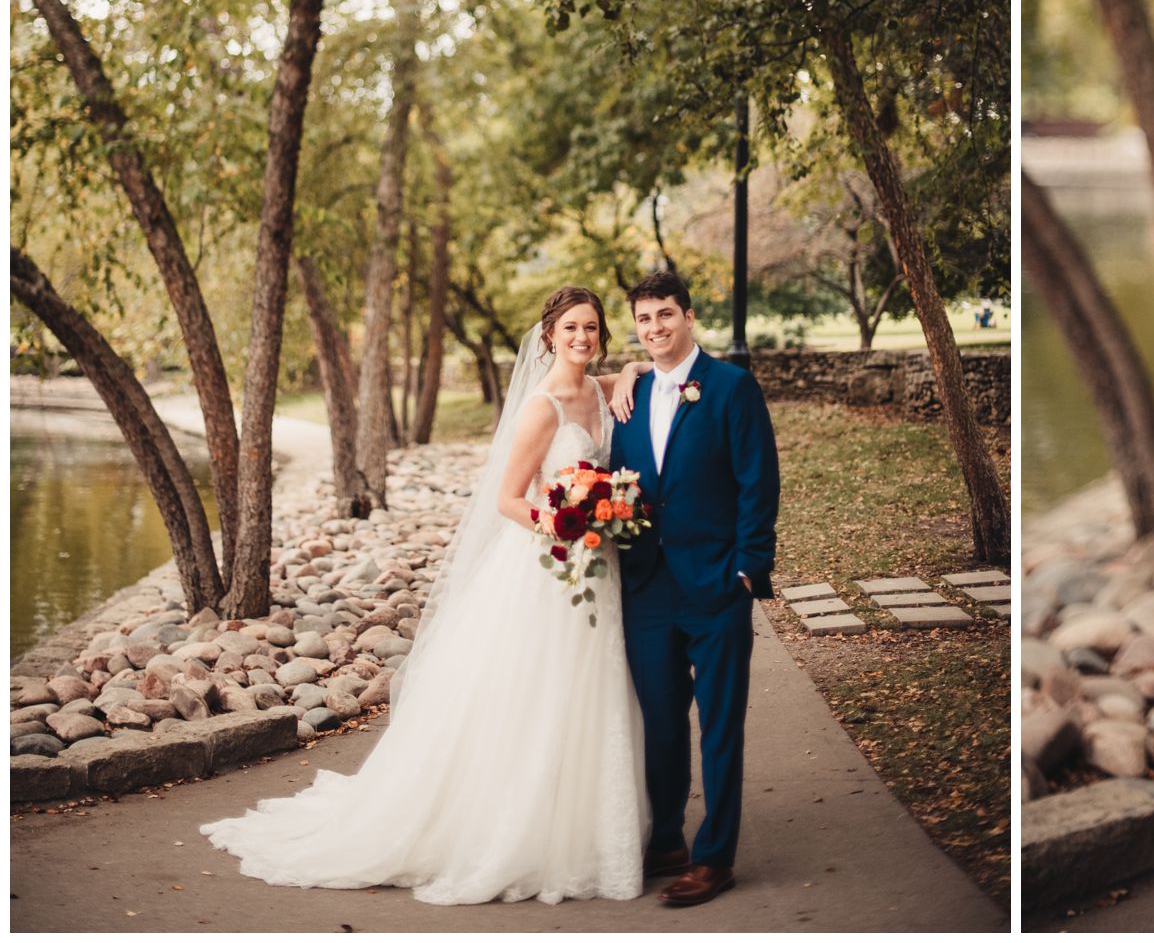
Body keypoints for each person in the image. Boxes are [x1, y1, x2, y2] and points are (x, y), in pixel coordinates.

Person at [203, 287, 649, 905]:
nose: (582, 337)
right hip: (547, 566)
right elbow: (509, 499)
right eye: (571, 327)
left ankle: (587, 830)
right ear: (549, 335)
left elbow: (650, 366)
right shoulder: (541, 407)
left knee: (590, 689)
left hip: (597, 567)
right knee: (536, 692)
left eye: (592, 327)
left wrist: (632, 371)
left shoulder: (601, 390)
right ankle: (515, 830)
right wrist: (565, 523)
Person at [606, 268, 780, 908]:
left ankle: (715, 857)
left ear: (688, 316)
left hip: (717, 583)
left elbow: (758, 480)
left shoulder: (731, 387)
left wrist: (748, 567)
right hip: (647, 586)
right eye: (644, 319)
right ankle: (668, 839)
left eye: (665, 315)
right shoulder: (628, 394)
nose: (654, 328)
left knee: (721, 725)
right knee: (659, 721)